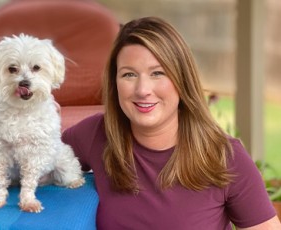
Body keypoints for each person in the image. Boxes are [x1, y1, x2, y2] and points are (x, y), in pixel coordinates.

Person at [62, 17, 281, 229]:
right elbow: (34, 162)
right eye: (129, 75)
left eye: (158, 73)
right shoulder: (95, 135)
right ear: (115, 83)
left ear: (181, 79)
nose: (143, 90)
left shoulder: (225, 157)